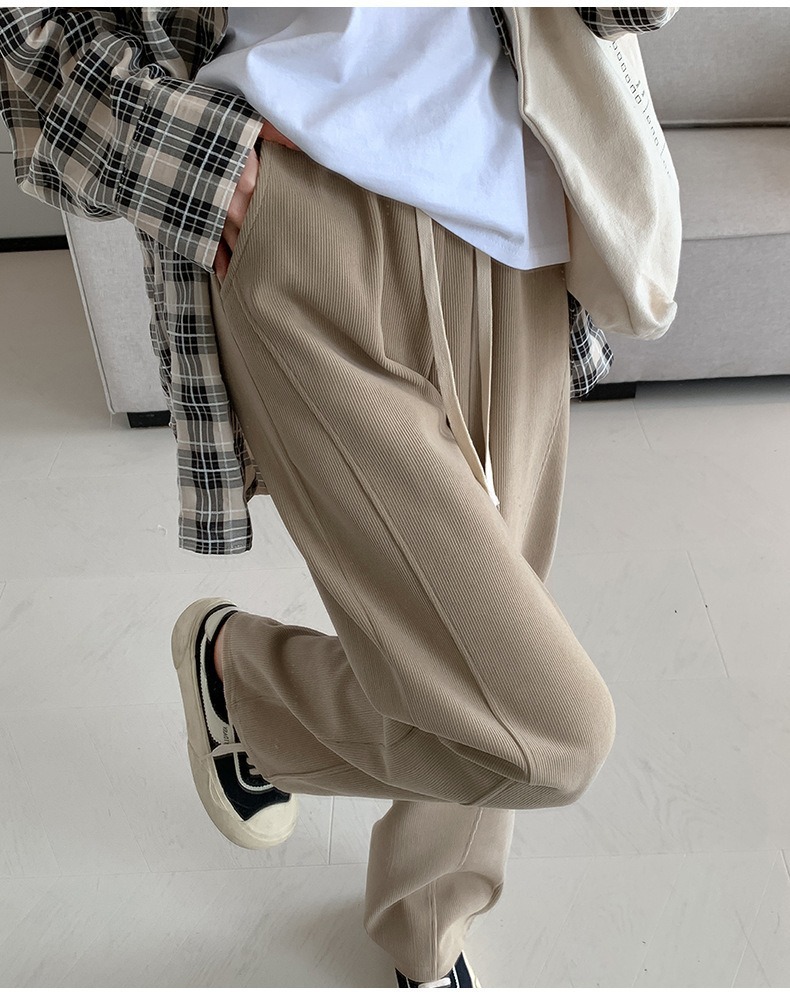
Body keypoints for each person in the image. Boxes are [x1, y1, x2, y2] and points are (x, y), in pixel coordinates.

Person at [0, 7, 679, 989]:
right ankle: (251, 690)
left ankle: (424, 918)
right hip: (300, 213)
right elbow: (24, 33)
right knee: (551, 734)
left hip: (516, 213)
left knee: (479, 656)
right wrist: (196, 166)